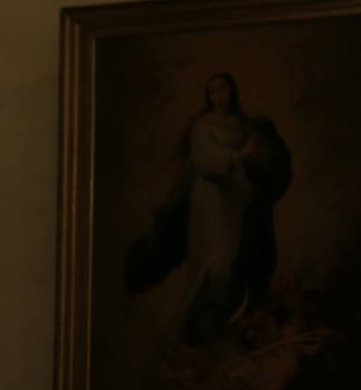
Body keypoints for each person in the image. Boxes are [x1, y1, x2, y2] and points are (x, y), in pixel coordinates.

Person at [125, 72, 292, 345]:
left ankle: (224, 320)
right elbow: (205, 161)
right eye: (212, 91)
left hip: (237, 199)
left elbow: (260, 155)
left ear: (232, 91)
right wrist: (240, 156)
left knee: (237, 257)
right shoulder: (201, 126)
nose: (218, 96)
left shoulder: (244, 124)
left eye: (222, 89)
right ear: (208, 96)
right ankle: (196, 324)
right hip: (212, 200)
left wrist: (259, 158)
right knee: (215, 260)